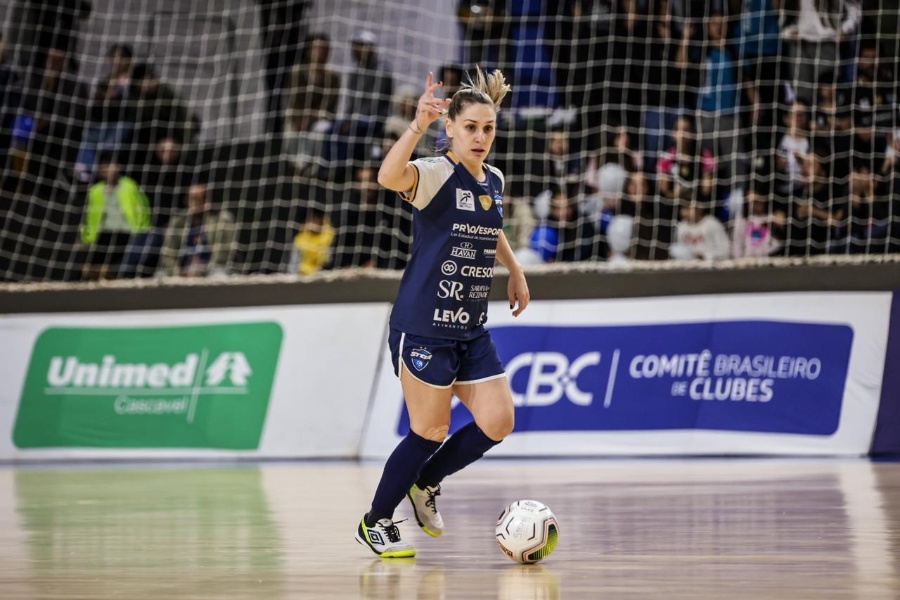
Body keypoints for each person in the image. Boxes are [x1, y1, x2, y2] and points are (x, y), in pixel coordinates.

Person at [356, 68, 530, 558]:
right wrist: (414, 127)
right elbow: (388, 177)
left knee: (499, 419)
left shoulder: (492, 178)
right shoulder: (434, 172)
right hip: (424, 326)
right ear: (450, 127)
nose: (480, 137)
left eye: (488, 128)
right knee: (428, 431)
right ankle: (375, 522)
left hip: (470, 328)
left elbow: (490, 226)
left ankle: (426, 481)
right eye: (471, 127)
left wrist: (515, 270)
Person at [157, 183, 236, 278]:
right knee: (160, 276)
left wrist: (199, 273)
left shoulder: (221, 220)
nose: (193, 202)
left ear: (206, 201)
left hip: (209, 271)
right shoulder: (178, 222)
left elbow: (222, 255)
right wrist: (177, 272)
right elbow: (167, 254)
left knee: (220, 276)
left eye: (197, 198)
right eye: (191, 198)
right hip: (182, 272)